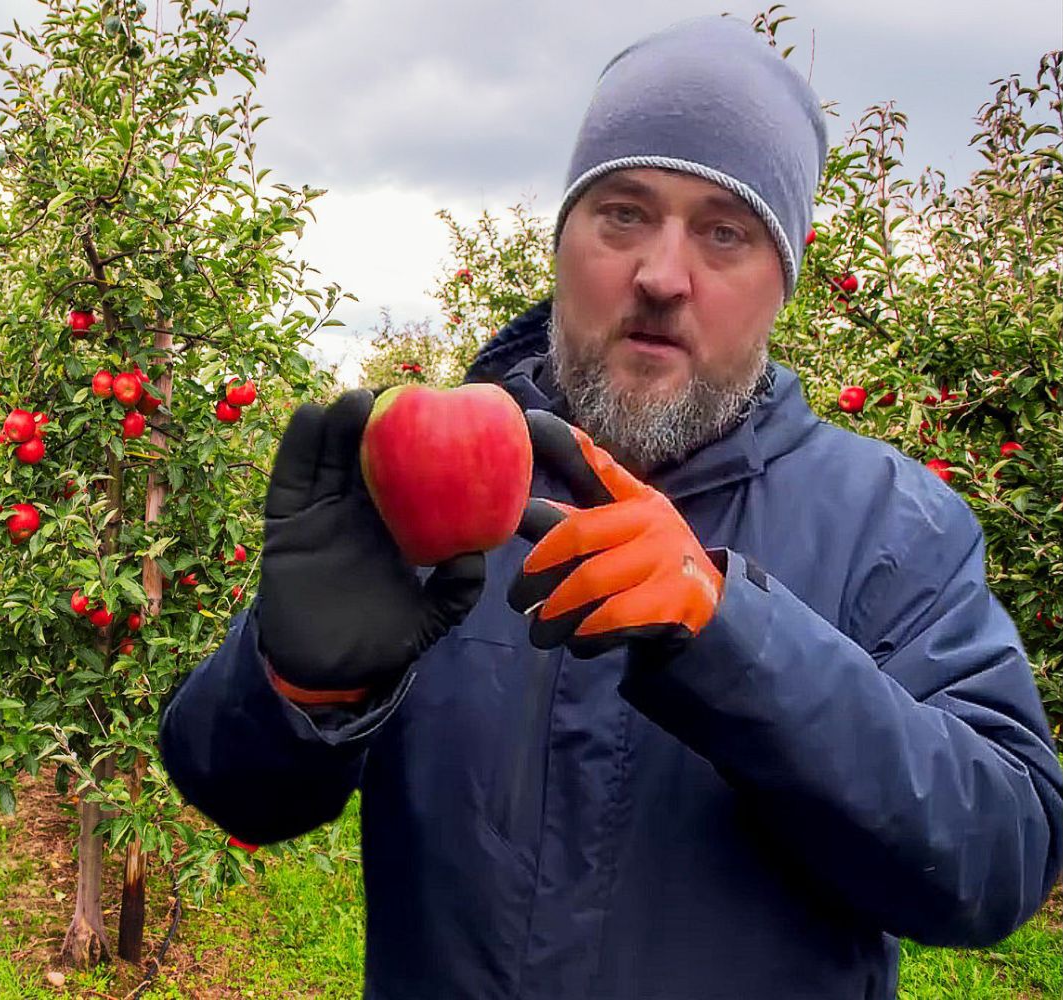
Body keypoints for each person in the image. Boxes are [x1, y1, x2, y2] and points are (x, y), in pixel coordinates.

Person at [158, 15, 1063, 999]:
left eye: (724, 231)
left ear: (784, 275)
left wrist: (731, 637)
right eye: (622, 213)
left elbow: (998, 858)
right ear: (563, 239)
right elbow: (232, 790)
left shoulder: (891, 525)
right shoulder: (433, 499)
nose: (661, 274)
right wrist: (295, 687)